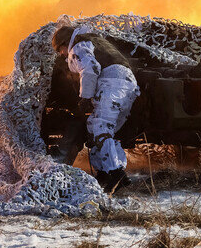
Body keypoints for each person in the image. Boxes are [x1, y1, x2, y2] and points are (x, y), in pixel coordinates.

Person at [51, 25, 140, 192]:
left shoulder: (78, 46)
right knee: (101, 129)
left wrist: (85, 97)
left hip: (112, 83)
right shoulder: (95, 40)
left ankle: (116, 174)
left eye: (60, 50)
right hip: (127, 84)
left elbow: (91, 69)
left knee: (100, 126)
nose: (62, 54)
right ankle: (105, 172)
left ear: (65, 43)